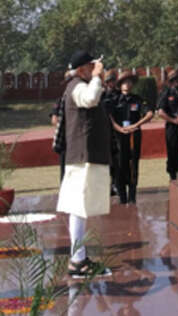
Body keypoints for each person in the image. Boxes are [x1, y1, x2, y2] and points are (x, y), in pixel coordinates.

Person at [56, 50, 112, 279]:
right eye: (91, 66)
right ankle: (77, 261)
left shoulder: (79, 84)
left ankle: (79, 257)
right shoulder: (77, 86)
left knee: (79, 208)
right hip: (82, 157)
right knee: (78, 208)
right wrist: (97, 77)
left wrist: (98, 79)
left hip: (83, 156)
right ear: (81, 70)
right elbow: (90, 99)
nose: (94, 69)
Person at [109, 70, 153, 204]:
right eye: (124, 82)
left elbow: (149, 114)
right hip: (119, 138)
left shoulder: (137, 100)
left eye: (129, 82)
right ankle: (122, 197)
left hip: (134, 137)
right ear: (120, 85)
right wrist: (119, 128)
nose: (127, 84)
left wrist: (136, 124)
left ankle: (132, 196)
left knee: (133, 165)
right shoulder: (114, 100)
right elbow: (109, 116)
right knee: (119, 166)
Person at [157, 69, 178, 180]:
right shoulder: (166, 94)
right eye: (173, 80)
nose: (176, 82)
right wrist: (173, 120)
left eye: (177, 79)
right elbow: (160, 112)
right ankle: (173, 176)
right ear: (170, 81)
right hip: (172, 127)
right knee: (172, 151)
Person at [101, 69, 120, 196]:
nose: (111, 83)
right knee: (106, 160)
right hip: (104, 131)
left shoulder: (119, 95)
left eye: (112, 81)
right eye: (108, 81)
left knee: (117, 159)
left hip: (117, 131)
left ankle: (116, 184)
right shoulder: (101, 95)